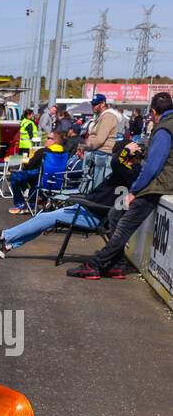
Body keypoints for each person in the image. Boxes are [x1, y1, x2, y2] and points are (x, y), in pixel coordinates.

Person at [69, 91, 173, 278]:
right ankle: (117, 264)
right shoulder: (168, 125)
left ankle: (96, 264)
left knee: (123, 223)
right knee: (115, 214)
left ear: (154, 112)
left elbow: (152, 167)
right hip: (159, 184)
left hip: (156, 186)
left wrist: (134, 191)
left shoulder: (164, 129)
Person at [0, 140, 143, 257]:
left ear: (126, 157)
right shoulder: (129, 171)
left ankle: (4, 237)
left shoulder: (128, 172)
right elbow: (117, 162)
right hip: (89, 209)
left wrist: (127, 150)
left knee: (44, 217)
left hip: (93, 214)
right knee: (44, 218)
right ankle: (7, 244)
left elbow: (116, 162)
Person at [7, 129, 68, 213]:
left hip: (42, 181)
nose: (46, 140)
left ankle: (21, 204)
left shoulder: (42, 152)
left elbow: (29, 166)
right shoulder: (65, 153)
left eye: (48, 138)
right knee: (35, 178)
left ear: (54, 141)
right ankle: (33, 202)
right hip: (57, 182)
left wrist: (22, 168)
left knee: (15, 176)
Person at [82, 92, 122, 191]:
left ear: (103, 103)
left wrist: (84, 146)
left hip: (103, 155)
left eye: (96, 104)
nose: (93, 107)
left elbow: (100, 139)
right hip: (99, 154)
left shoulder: (108, 116)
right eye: (92, 104)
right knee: (93, 184)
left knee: (97, 187)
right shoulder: (102, 116)